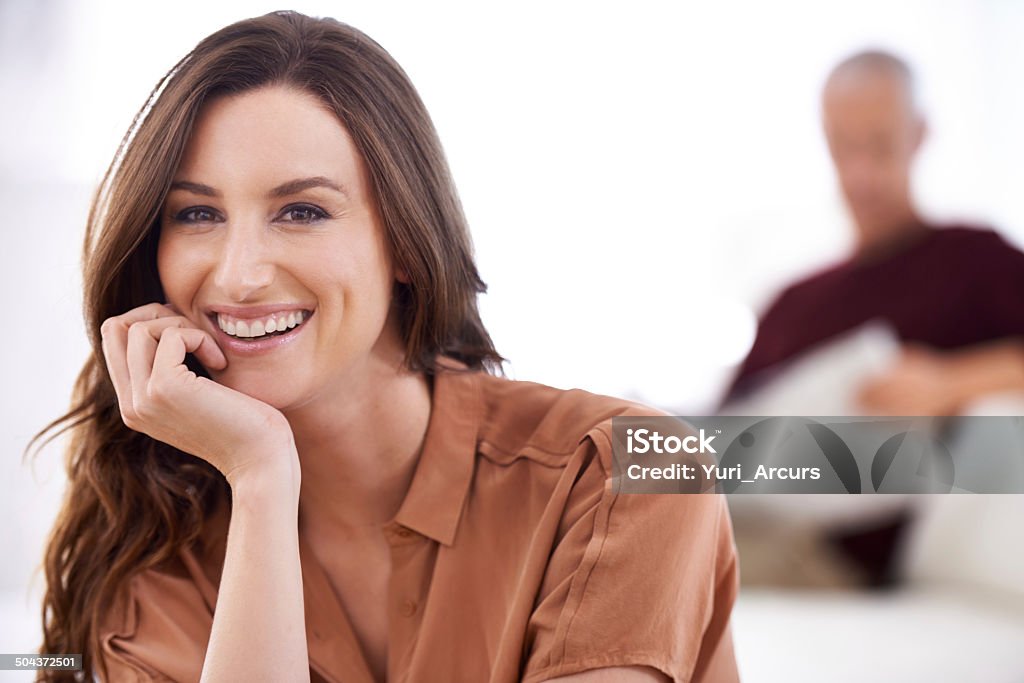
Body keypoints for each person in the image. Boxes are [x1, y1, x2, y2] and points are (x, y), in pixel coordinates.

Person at [32, 11, 739, 683]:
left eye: (302, 211)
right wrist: (260, 478)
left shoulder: (629, 472)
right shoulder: (154, 547)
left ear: (404, 238)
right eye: (197, 214)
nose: (239, 274)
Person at [720, 49, 1024, 587]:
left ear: (919, 134)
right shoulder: (793, 299)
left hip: (825, 556)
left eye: (880, 144)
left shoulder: (976, 260)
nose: (861, 173)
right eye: (843, 146)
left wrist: (950, 382)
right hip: (735, 517)